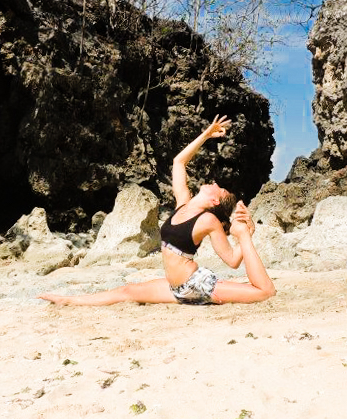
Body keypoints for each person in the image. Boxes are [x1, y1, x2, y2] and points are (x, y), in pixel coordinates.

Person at [38, 115, 276, 306]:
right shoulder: (183, 203)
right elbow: (179, 162)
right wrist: (206, 135)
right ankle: (69, 300)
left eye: (219, 188)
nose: (214, 183)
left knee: (264, 292)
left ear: (214, 201)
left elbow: (232, 260)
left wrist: (245, 235)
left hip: (196, 285)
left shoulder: (207, 220)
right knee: (127, 291)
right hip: (175, 288)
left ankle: (251, 254)